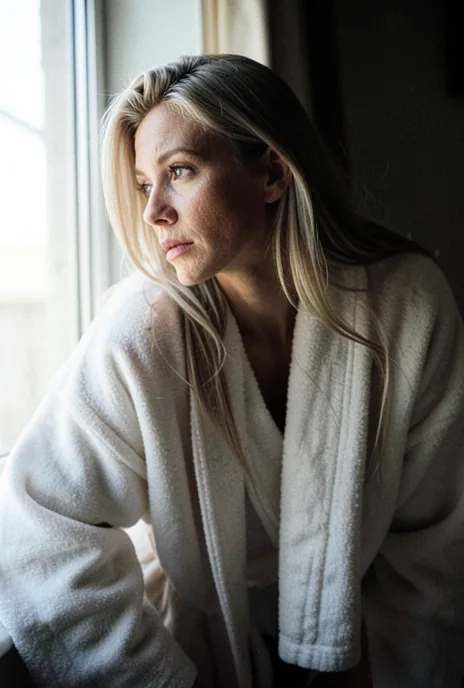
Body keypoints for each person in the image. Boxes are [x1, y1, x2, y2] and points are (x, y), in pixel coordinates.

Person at [0, 53, 463, 688]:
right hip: (200, 654)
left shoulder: (408, 308)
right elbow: (36, 525)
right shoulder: (143, 331)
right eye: (143, 184)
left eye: (179, 171)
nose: (153, 212)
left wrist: (381, 671)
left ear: (271, 172)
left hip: (368, 649)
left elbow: (439, 544)